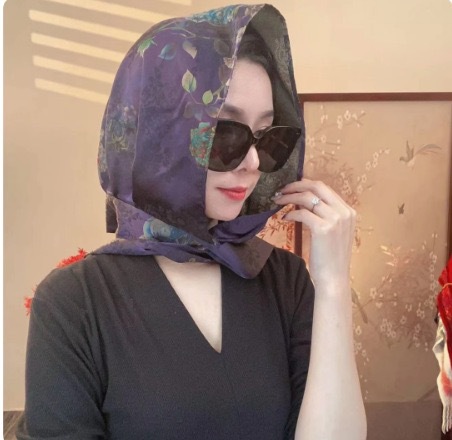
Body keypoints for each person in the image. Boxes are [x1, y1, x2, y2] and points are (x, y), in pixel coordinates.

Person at [17, 4, 366, 440]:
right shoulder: (75, 302)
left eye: (267, 136)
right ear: (158, 135)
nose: (254, 163)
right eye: (225, 133)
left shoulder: (285, 282)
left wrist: (333, 283)